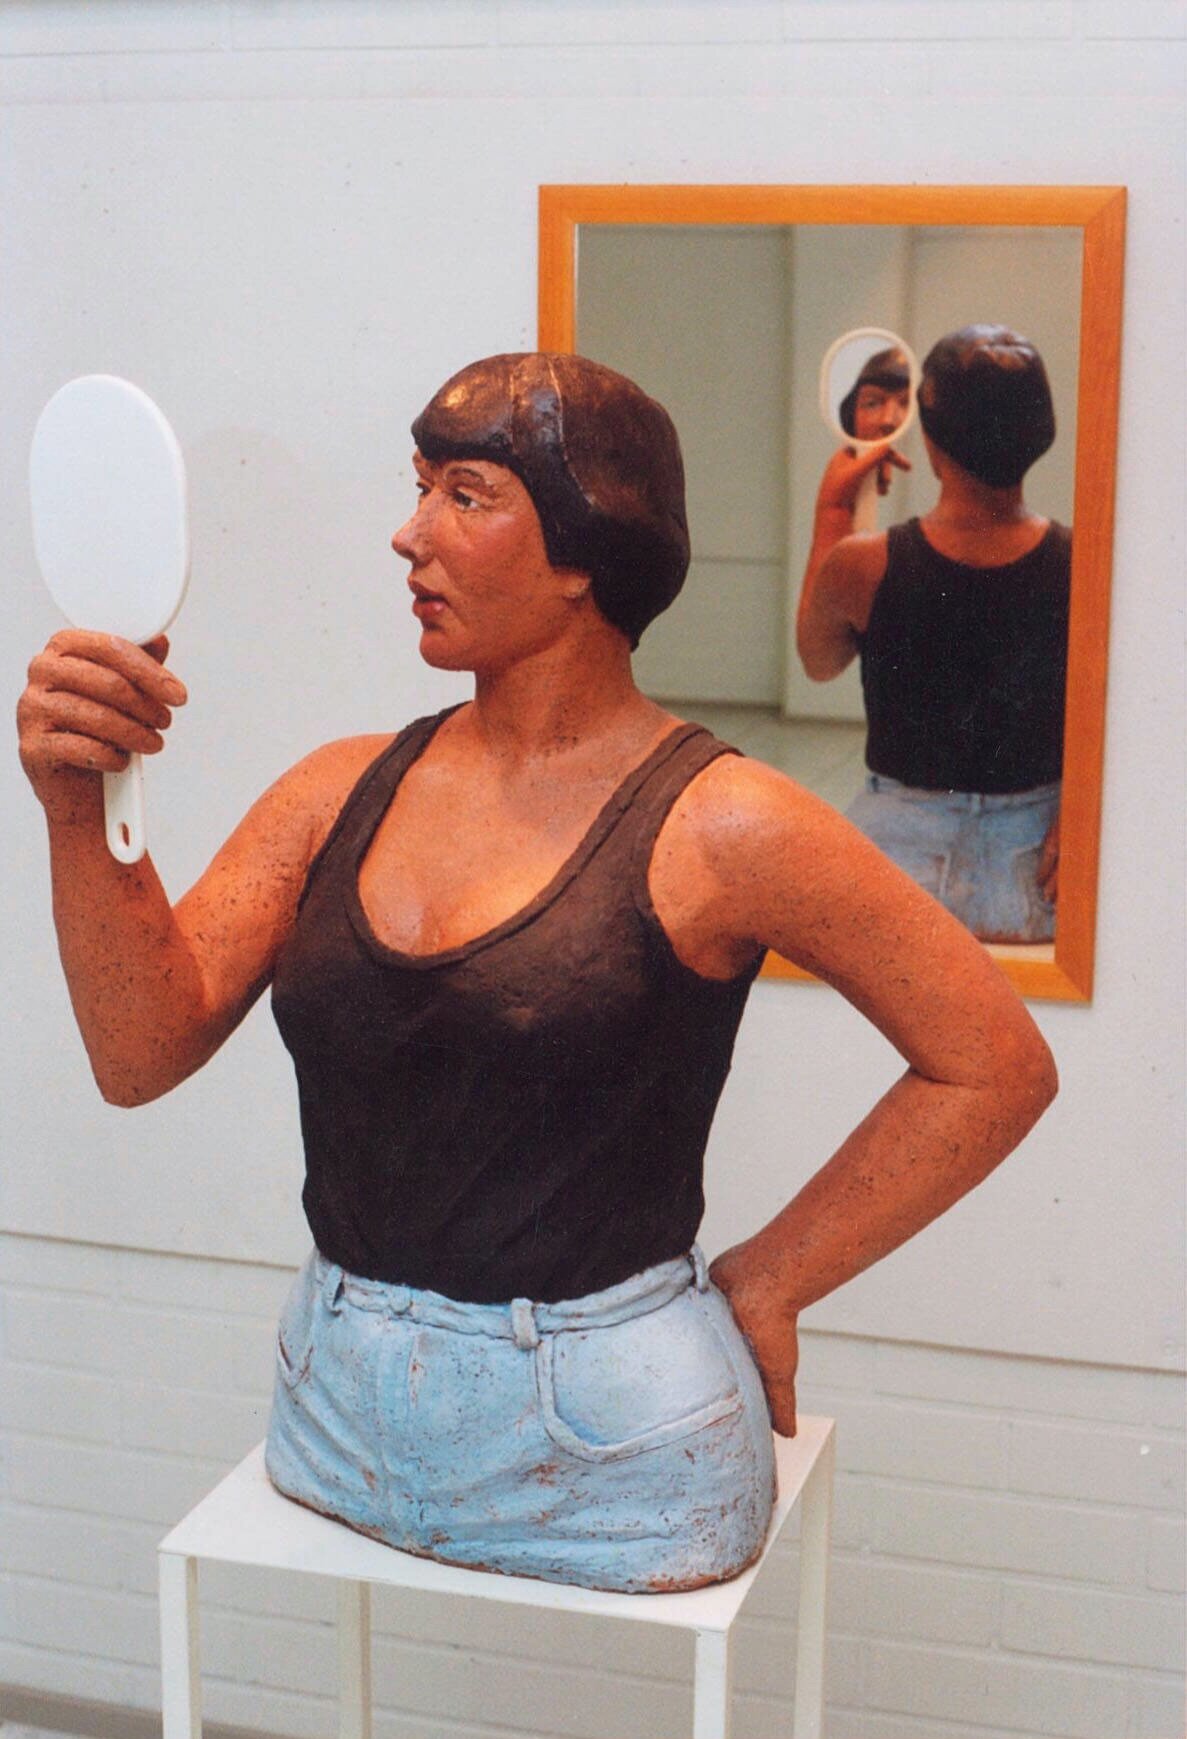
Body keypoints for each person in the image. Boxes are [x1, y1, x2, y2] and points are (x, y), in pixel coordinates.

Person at [18, 351, 1056, 1594]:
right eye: (419, 489)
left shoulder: (722, 825)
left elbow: (991, 1061)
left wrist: (775, 1276)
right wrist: (77, 805)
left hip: (624, 1434)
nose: (409, 534)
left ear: (584, 548)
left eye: (465, 496)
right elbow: (139, 1050)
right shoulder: (336, 790)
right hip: (330, 1400)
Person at [798, 324, 1070, 944]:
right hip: (1036, 859)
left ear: (929, 439)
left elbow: (818, 659)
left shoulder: (864, 563)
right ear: (1040, 436)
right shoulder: (1082, 563)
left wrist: (833, 511)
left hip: (897, 851)